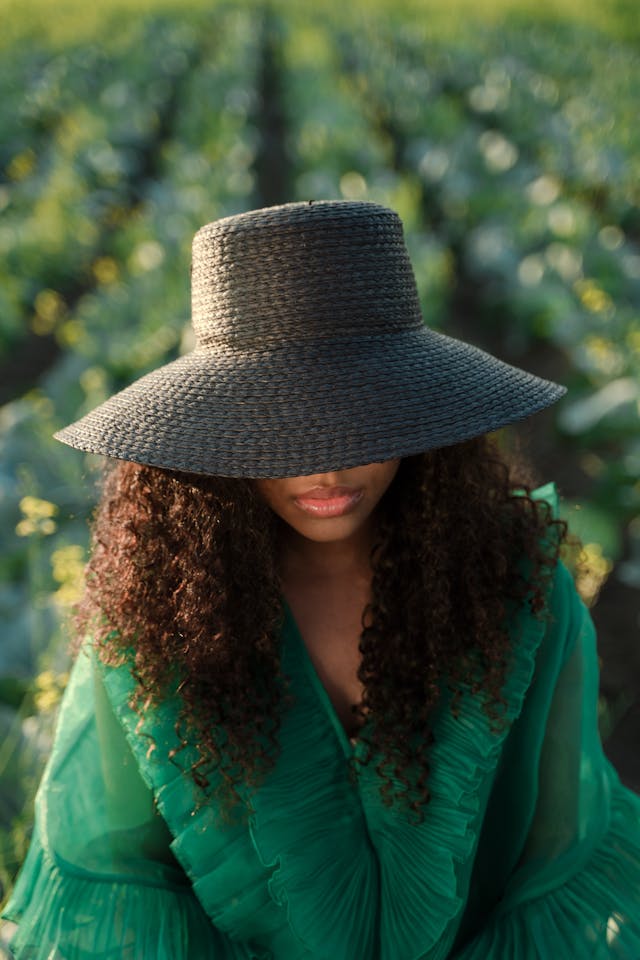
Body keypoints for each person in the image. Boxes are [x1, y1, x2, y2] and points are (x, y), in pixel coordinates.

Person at [2, 200, 639, 959]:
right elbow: (123, 870)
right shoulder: (160, 613)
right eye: (280, 431)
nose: (327, 469)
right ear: (217, 436)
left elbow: (553, 848)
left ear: (420, 411)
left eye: (362, 423)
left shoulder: (517, 586)